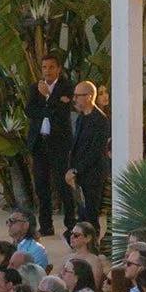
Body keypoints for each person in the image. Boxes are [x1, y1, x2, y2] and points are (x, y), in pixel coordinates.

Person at [26, 51, 77, 238]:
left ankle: (71, 224)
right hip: (40, 142)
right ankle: (46, 225)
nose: (47, 71)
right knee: (41, 185)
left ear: (58, 69)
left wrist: (49, 97)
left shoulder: (66, 87)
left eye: (51, 67)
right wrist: (51, 106)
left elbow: (62, 112)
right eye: (44, 68)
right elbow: (30, 111)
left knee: (63, 185)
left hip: (59, 144)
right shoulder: (35, 88)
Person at [65, 80, 110, 227]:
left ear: (89, 96)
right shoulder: (81, 118)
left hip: (93, 174)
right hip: (79, 173)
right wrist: (71, 170)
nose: (75, 99)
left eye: (78, 96)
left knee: (90, 213)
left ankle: (92, 245)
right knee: (82, 212)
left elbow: (95, 151)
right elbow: (76, 146)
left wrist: (77, 171)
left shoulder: (100, 120)